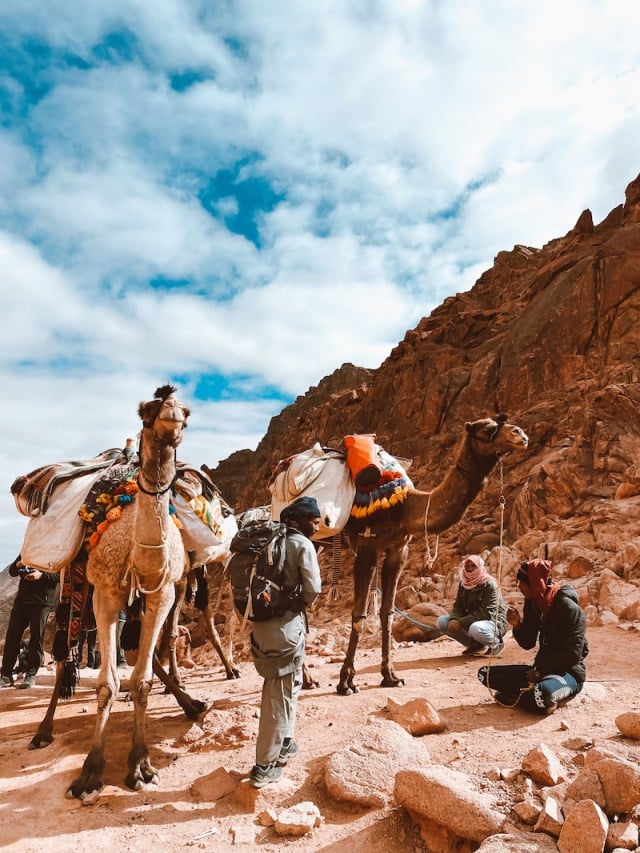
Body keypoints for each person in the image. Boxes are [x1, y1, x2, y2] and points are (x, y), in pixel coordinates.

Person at [249, 496, 322, 788]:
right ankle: (263, 766)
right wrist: (295, 605)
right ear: (300, 520)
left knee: (291, 685)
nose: (316, 527)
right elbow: (313, 589)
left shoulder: (267, 542)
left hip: (262, 628)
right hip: (287, 629)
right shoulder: (301, 544)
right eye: (314, 522)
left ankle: (285, 743)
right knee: (277, 697)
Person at [477, 558, 588, 714]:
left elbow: (573, 655)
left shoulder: (569, 609)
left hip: (567, 673)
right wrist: (517, 625)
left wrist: (541, 672)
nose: (519, 587)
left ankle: (525, 697)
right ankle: (528, 697)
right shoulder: (534, 603)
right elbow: (528, 642)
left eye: (522, 583)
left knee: (541, 695)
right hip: (538, 672)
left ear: (534, 584)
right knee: (484, 674)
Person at [0, 555, 59, 689]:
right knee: (12, 636)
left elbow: (60, 576)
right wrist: (21, 563)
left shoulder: (55, 550)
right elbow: (12, 571)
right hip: (22, 599)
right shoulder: (29, 549)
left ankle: (31, 674)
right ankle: (6, 675)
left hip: (42, 601)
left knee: (36, 637)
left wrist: (41, 575)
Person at [436, 554, 507, 657]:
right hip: (472, 619)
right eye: (467, 566)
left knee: (476, 628)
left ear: (480, 567)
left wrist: (460, 622)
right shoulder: (464, 583)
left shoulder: (490, 585)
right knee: (442, 622)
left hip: (493, 621)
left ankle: (496, 643)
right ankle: (476, 645)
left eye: (473, 566)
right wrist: (454, 619)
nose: (470, 569)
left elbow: (486, 612)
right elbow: (458, 606)